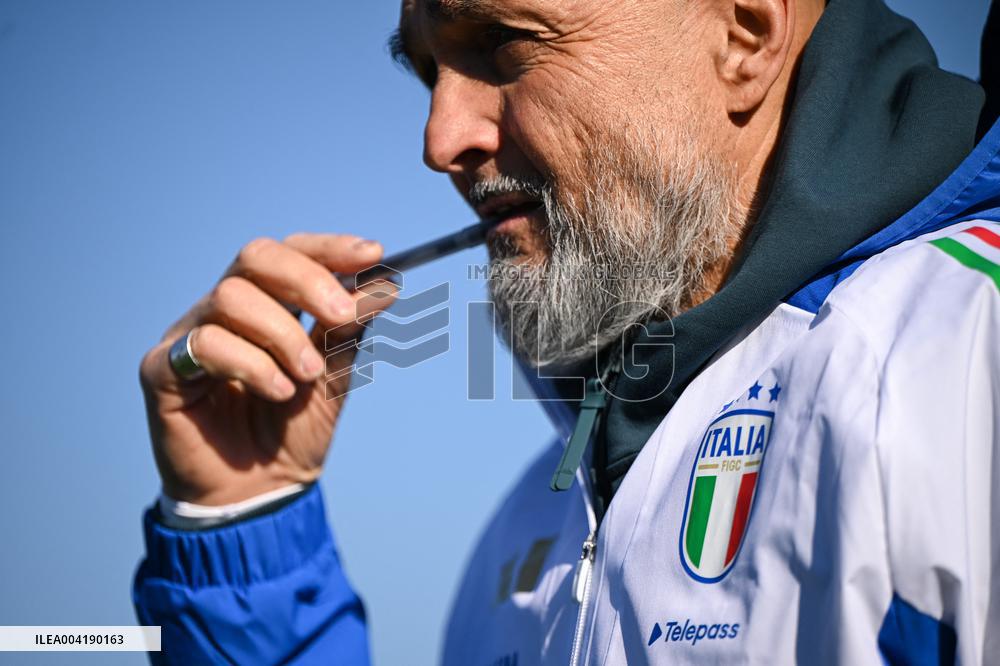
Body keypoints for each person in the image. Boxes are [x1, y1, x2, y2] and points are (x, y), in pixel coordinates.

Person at [134, 0, 1000, 662]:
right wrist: (243, 522)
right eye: (428, 71)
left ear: (745, 32)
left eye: (505, 42)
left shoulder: (967, 362)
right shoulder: (542, 511)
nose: (440, 139)